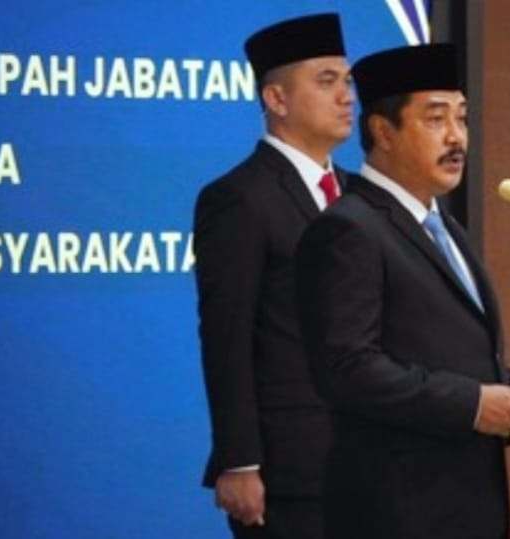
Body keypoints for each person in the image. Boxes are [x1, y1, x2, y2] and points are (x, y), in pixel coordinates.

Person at [295, 43, 510, 539]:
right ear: (382, 132)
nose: (456, 137)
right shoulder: (349, 230)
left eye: (462, 118)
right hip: (397, 510)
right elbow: (348, 369)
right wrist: (472, 405)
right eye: (436, 119)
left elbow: (451, 357)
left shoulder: (444, 227)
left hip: (468, 504)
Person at [192, 13, 353, 538]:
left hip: (370, 461)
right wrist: (239, 460)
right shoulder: (239, 198)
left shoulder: (362, 196)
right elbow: (227, 334)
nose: (346, 97)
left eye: (347, 81)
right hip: (289, 471)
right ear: (276, 99)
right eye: (326, 81)